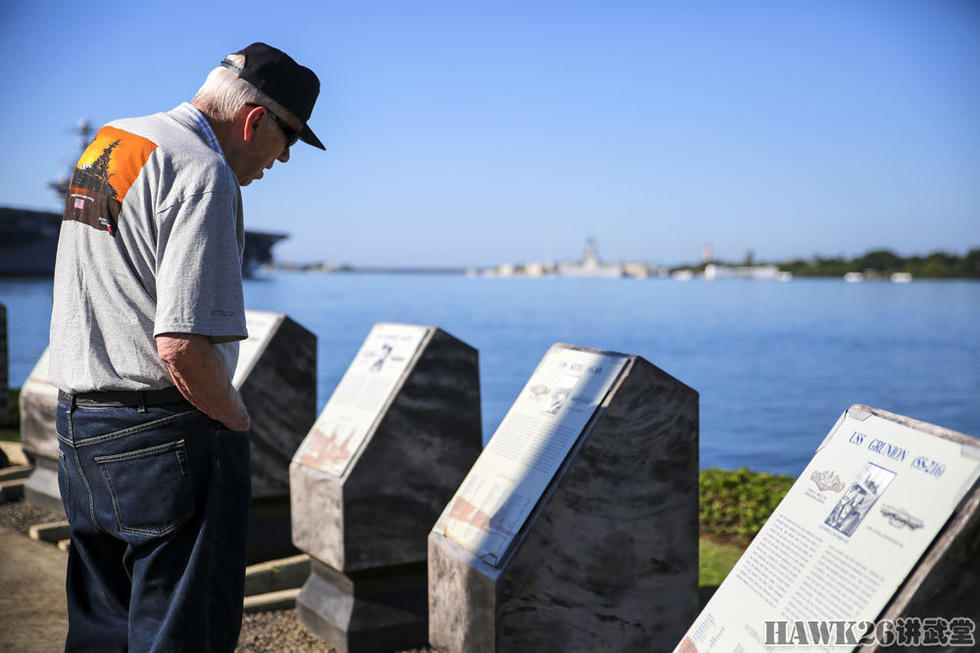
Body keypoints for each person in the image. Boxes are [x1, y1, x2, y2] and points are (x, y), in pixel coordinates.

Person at [48, 42, 324, 652]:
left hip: (77, 424)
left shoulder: (114, 142)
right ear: (255, 120)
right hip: (161, 437)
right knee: (182, 631)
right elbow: (180, 344)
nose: (281, 161)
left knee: (101, 629)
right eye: (290, 140)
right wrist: (236, 423)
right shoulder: (204, 171)